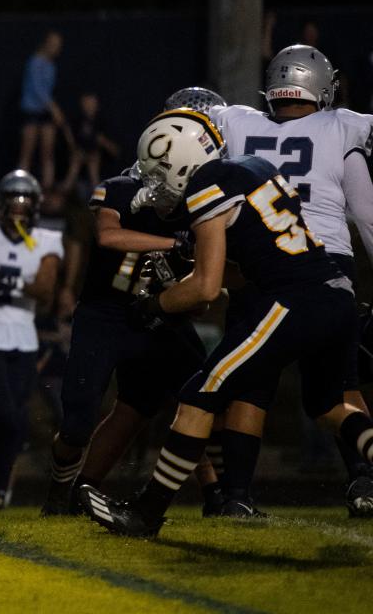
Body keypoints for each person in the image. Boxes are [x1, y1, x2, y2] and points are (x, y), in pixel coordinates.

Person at [81, 109, 373, 538]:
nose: (157, 186)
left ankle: (147, 513)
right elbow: (243, 269)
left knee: (200, 394)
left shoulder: (205, 186)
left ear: (181, 160)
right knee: (329, 407)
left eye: (160, 173)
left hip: (295, 299)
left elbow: (205, 288)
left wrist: (155, 305)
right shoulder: (254, 167)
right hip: (335, 293)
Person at [205, 46, 373, 517]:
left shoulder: (236, 124)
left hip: (261, 268)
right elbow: (367, 217)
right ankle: (364, 478)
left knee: (249, 382)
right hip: (325, 269)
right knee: (339, 386)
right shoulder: (343, 126)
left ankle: (237, 495)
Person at [41, 158, 218, 517]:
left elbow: (201, 300)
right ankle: (62, 488)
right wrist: (174, 244)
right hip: (105, 313)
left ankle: (220, 495)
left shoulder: (202, 204)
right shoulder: (122, 187)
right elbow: (108, 235)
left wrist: (186, 288)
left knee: (200, 398)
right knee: (76, 425)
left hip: (160, 312)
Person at [0, 170, 63, 507]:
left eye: (25, 201)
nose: (19, 208)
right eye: (13, 201)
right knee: (11, 417)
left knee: (9, 417)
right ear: (1, 204)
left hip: (23, 338)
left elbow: (46, 291)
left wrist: (6, 282)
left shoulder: (47, 240)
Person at [18, 31, 66, 190]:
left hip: (46, 114)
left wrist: (52, 110)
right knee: (27, 152)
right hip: (32, 112)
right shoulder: (34, 62)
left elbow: (48, 90)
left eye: (58, 45)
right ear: (45, 43)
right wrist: (54, 109)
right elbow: (38, 90)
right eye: (53, 44)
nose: (55, 48)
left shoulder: (51, 66)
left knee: (48, 153)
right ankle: (20, 188)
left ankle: (47, 190)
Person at [61, 91, 118, 193]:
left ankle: (98, 199)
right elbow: (69, 144)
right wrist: (76, 151)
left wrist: (103, 142)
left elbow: (115, 151)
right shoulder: (76, 121)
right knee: (75, 163)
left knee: (93, 164)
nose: (89, 106)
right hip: (77, 171)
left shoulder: (103, 122)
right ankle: (62, 195)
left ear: (96, 104)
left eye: (91, 103)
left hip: (100, 170)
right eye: (86, 103)